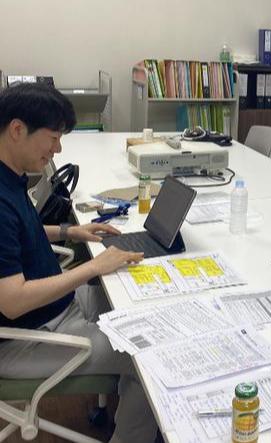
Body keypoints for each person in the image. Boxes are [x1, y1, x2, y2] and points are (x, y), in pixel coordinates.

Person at [0, 83, 157, 443]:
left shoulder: (10, 175)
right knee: (148, 354)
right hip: (25, 338)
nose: (58, 150)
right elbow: (12, 301)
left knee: (139, 302)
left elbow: (19, 232)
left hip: (56, 310)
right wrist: (93, 268)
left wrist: (71, 230)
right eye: (53, 138)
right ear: (17, 129)